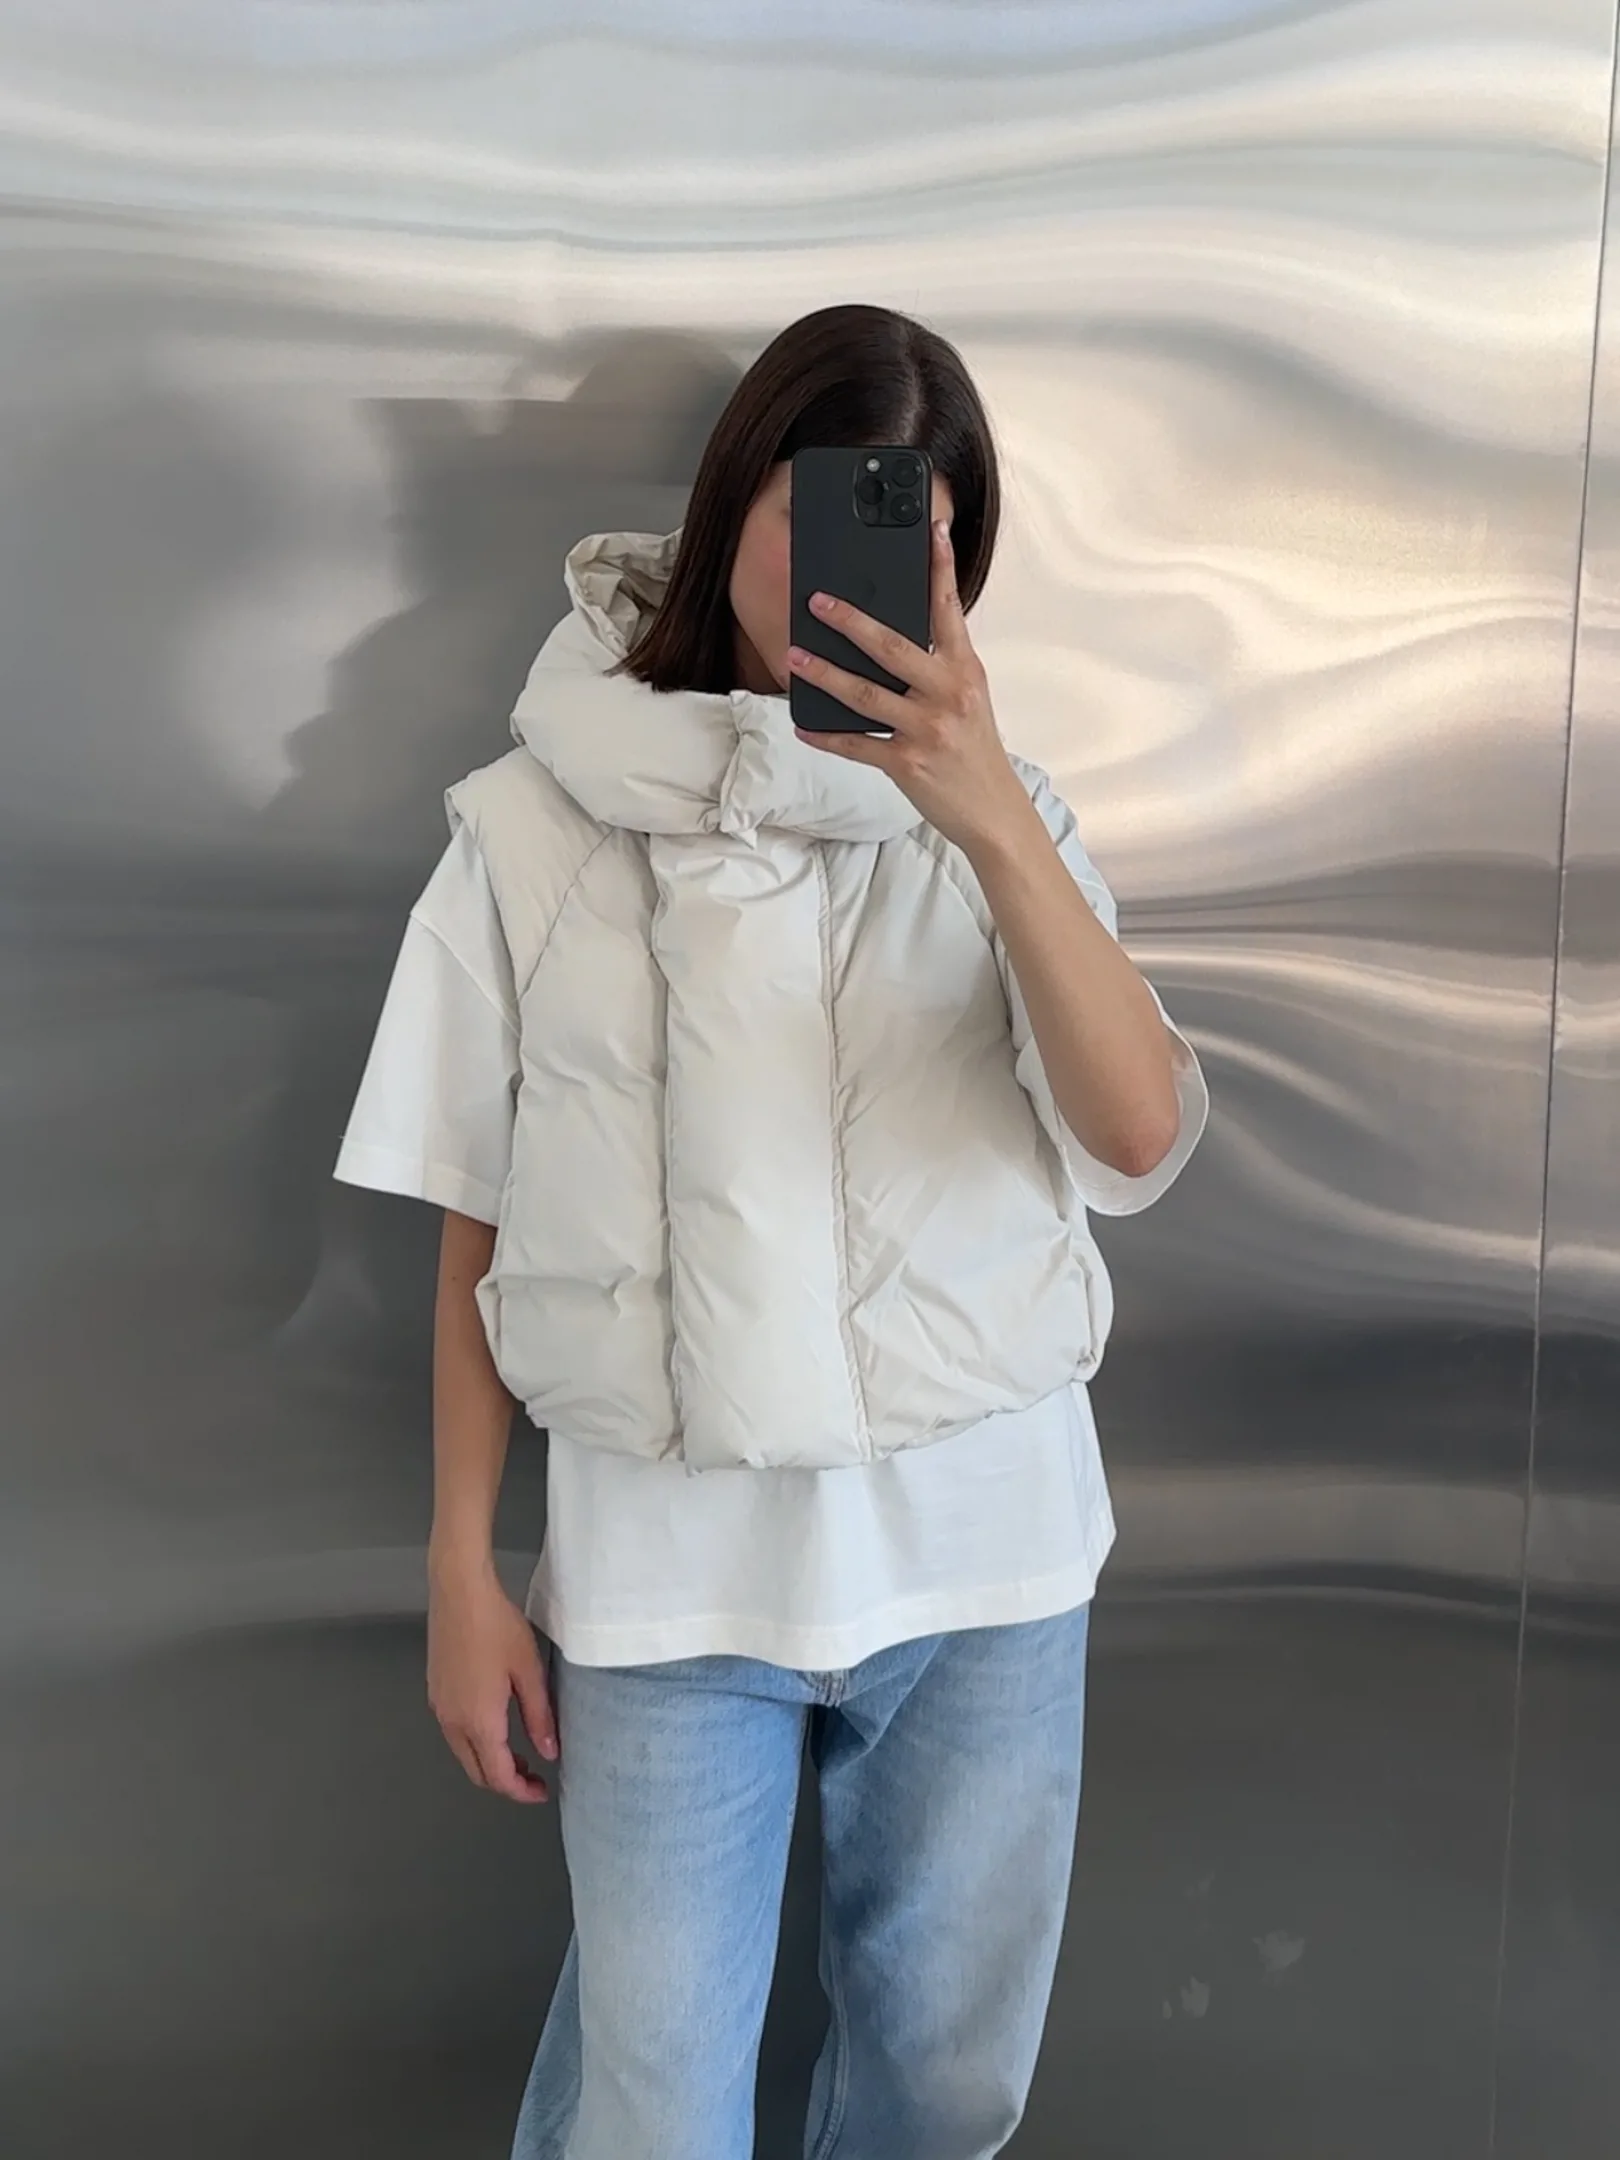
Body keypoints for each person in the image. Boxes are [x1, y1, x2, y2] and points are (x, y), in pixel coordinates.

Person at [335, 302, 1208, 2160]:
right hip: (668, 1589)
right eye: (812, 507)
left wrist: (987, 818)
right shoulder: (530, 829)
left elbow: (1137, 1137)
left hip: (982, 1571)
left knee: (947, 2090)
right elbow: (474, 1209)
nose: (844, 568)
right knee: (653, 2114)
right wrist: (461, 1565)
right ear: (730, 494)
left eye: (906, 529)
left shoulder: (1008, 825)